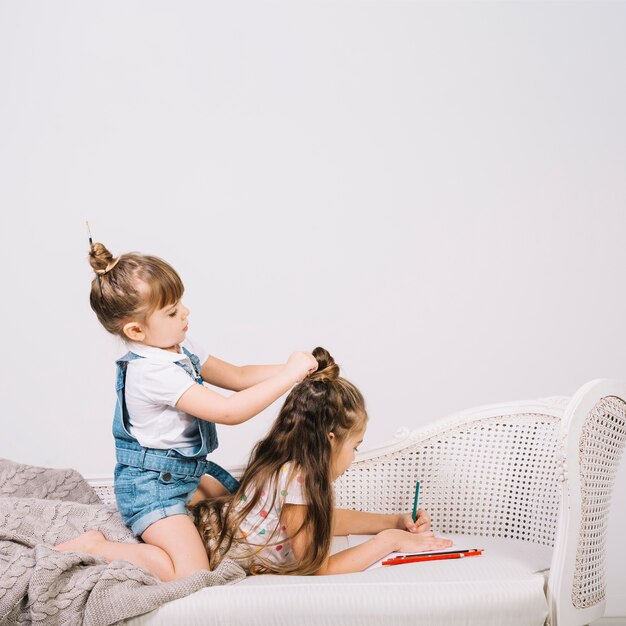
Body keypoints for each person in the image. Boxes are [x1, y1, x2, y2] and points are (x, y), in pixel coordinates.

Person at [56, 239, 317, 581]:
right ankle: (98, 547)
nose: (186, 313)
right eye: (172, 311)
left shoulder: (178, 348)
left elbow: (238, 377)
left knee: (244, 510)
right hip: (152, 489)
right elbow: (228, 411)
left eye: (181, 303)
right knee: (192, 573)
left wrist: (295, 369)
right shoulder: (151, 371)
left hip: (184, 478)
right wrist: (288, 376)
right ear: (136, 330)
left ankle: (186, 516)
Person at [191, 347, 453, 575]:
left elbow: (321, 521)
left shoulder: (292, 467)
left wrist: (393, 521)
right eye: (355, 447)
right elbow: (317, 567)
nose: (354, 456)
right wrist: (389, 541)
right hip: (202, 544)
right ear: (330, 439)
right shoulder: (298, 478)